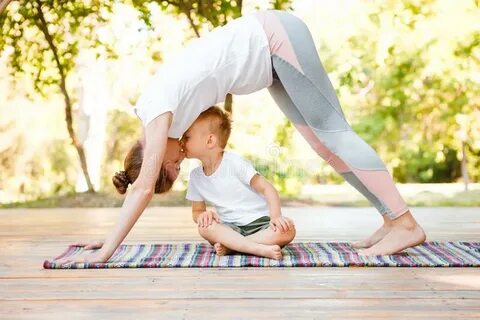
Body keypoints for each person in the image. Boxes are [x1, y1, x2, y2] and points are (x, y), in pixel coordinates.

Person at [57, 10, 425, 265]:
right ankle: (391, 220)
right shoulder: (166, 120)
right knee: (321, 143)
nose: (182, 156)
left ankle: (406, 223)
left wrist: (107, 248)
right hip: (269, 63)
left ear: (153, 156)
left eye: (173, 164)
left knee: (335, 134)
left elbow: (142, 189)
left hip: (275, 39)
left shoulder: (156, 114)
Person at [182, 106, 295, 260]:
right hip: (229, 228)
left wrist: (276, 217)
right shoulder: (196, 176)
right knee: (204, 228)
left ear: (210, 140)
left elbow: (268, 189)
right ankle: (257, 248)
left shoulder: (235, 163)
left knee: (288, 230)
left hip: (259, 224)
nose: (181, 141)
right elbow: (197, 212)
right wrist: (203, 216)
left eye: (187, 137)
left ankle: (233, 246)